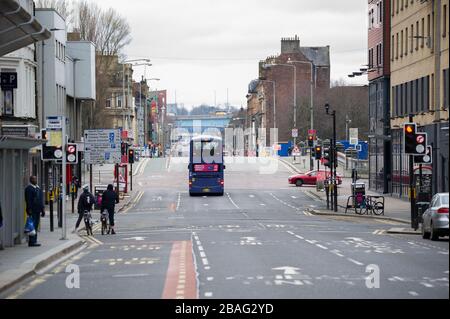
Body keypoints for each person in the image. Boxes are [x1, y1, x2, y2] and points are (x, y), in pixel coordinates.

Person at [24, 176, 45, 247]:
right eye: (33, 179)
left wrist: (42, 210)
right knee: (32, 226)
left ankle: (34, 240)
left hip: (38, 210)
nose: (35, 180)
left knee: (35, 226)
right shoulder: (29, 189)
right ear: (30, 180)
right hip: (32, 210)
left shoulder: (38, 188)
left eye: (36, 179)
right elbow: (28, 200)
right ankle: (31, 242)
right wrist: (29, 209)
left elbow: (41, 200)